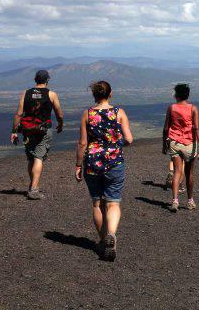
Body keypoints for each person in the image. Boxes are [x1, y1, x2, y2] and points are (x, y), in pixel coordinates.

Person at [75, 80, 133, 261]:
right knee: (113, 203)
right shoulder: (119, 113)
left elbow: (83, 143)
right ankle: (112, 235)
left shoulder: (87, 113)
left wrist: (78, 164)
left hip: (92, 162)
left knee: (97, 204)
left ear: (94, 95)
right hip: (114, 162)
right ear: (110, 93)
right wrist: (115, 145)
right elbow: (129, 139)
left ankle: (102, 241)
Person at [10, 69, 64, 200]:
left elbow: (19, 113)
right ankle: (34, 190)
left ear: (35, 79)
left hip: (28, 130)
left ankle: (32, 185)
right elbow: (59, 113)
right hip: (43, 130)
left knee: (31, 158)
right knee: (39, 157)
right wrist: (60, 123)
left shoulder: (26, 93)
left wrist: (14, 132)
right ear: (47, 80)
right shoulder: (51, 94)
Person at [162, 83, 199, 212]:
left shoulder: (172, 108)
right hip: (189, 143)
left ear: (176, 95)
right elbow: (196, 128)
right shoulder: (193, 108)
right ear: (187, 94)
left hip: (174, 142)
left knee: (177, 171)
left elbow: (166, 128)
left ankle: (175, 201)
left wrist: (164, 144)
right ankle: (190, 201)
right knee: (189, 173)